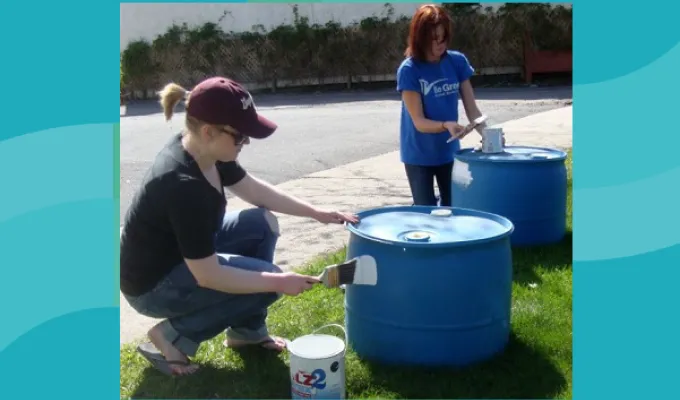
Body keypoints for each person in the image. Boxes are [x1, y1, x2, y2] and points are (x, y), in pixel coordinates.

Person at [119, 76, 359, 376]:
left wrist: (316, 212)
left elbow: (255, 192)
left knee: (261, 224)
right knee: (268, 282)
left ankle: (247, 332)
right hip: (153, 286)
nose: (245, 142)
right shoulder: (183, 186)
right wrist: (278, 282)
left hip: (182, 258)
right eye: (240, 136)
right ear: (208, 131)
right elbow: (208, 276)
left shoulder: (206, 150)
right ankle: (171, 336)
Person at [396, 4, 491, 207]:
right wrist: (446, 125)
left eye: (444, 37)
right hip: (418, 154)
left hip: (449, 153)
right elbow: (419, 122)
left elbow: (473, 110)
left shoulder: (457, 62)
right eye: (434, 38)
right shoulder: (409, 70)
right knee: (426, 212)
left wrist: (489, 137)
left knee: (454, 208)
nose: (440, 44)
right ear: (420, 39)